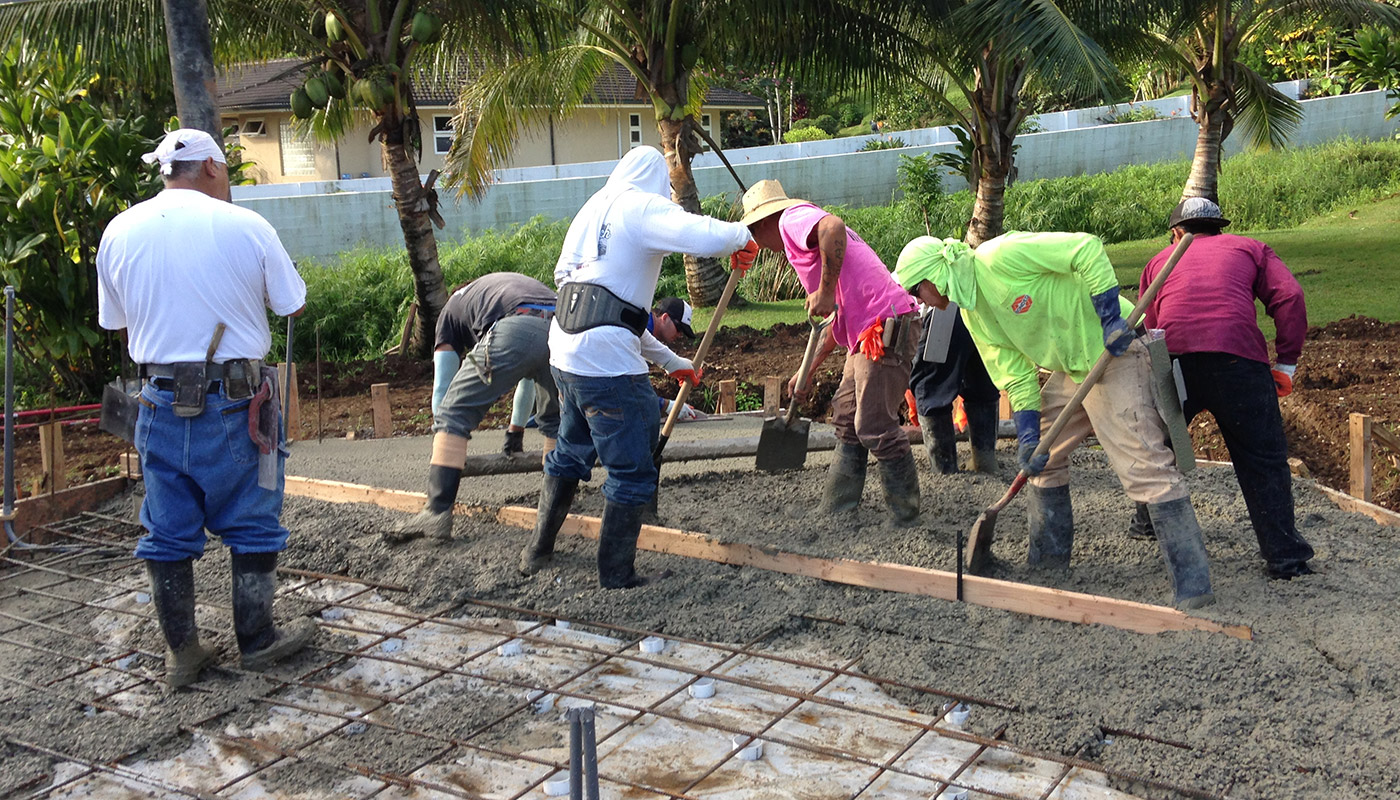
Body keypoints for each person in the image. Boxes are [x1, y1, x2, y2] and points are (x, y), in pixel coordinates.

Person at [95, 129, 315, 687]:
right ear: (213, 168)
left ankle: (183, 654)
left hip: (158, 402)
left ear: (165, 171)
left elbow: (117, 325)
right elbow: (292, 303)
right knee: (253, 519)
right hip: (236, 403)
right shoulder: (245, 225)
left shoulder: (119, 231)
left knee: (167, 529)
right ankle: (258, 642)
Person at [894, 232, 1215, 609]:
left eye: (918, 290)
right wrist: (1029, 436)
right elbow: (1015, 375)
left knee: (1144, 467)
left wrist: (1110, 315)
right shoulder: (973, 313)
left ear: (937, 275)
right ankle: (1048, 564)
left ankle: (1194, 586)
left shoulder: (1000, 256)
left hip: (1116, 352)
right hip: (1073, 367)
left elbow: (1085, 249)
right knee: (1044, 455)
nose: (920, 301)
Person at [519, 146, 756, 588]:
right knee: (632, 472)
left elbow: (611, 313)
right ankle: (616, 575)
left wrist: (674, 362)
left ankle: (537, 550)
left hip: (565, 353)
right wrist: (741, 238)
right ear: (653, 179)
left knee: (569, 453)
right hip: (604, 365)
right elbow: (700, 234)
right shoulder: (638, 205)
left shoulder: (590, 211)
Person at [1134, 198, 1315, 579]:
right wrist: (1286, 363)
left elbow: (1150, 326)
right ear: (1219, 227)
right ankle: (1285, 557)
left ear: (1177, 232)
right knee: (1261, 459)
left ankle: (1148, 523)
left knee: (1158, 444)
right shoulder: (1249, 248)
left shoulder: (1158, 261)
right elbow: (1290, 296)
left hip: (1175, 362)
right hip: (1238, 361)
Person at [740, 180, 921, 526]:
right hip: (868, 330)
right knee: (847, 416)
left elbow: (833, 226)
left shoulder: (790, 220)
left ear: (763, 222)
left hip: (884, 325)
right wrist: (807, 369)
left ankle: (906, 516)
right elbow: (833, 322)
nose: (758, 243)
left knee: (875, 425)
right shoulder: (800, 239)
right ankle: (838, 506)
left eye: (753, 232)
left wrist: (823, 290)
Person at [395, 272, 563, 542]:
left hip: (519, 323)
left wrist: (442, 443)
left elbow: (443, 388)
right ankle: (551, 519)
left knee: (454, 412)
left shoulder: (450, 312)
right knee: (555, 424)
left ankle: (436, 512)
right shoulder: (499, 290)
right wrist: (514, 433)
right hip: (562, 326)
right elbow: (528, 376)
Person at [910, 311, 1001, 474]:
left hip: (944, 311)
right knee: (981, 380)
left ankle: (944, 469)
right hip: (985, 307)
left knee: (931, 386)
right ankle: (985, 461)